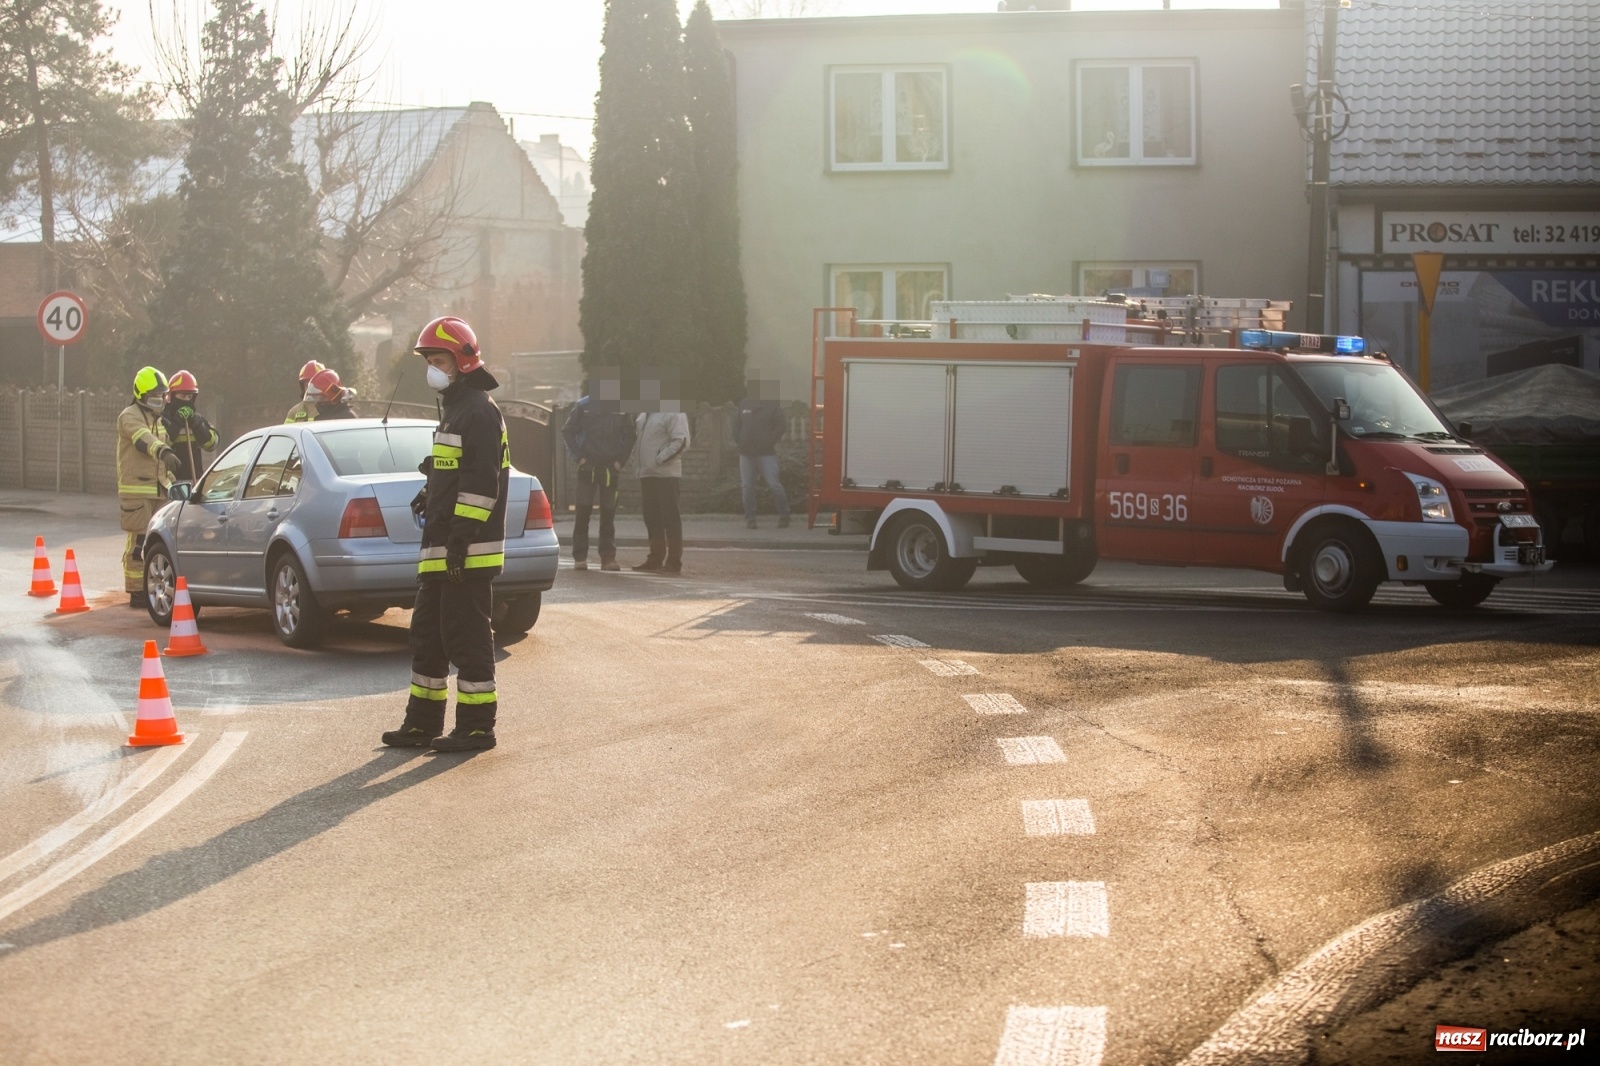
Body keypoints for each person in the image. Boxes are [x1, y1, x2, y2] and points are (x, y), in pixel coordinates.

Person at [382, 316, 508, 752]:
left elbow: (482, 483)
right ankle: (422, 724)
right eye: (429, 361)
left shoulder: (478, 411)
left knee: (467, 637)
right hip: (442, 548)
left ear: (462, 361)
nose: (432, 369)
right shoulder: (457, 410)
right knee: (427, 637)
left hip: (466, 551)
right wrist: (429, 489)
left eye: (438, 361)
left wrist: (460, 540)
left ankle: (476, 727)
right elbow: (454, 470)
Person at [117, 367, 183, 607]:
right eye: (153, 396)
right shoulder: (129, 416)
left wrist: (174, 482)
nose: (159, 400)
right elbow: (143, 439)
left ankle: (154, 586)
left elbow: (160, 462)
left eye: (161, 395)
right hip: (137, 491)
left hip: (160, 489)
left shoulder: (159, 420)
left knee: (160, 543)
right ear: (140, 395)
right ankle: (137, 592)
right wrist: (163, 451)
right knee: (138, 543)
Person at [560, 372, 635, 571]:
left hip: (611, 468)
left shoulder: (622, 408)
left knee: (608, 514)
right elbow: (567, 431)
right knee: (583, 512)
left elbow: (630, 436)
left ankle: (608, 558)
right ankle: (580, 558)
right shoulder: (583, 406)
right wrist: (579, 458)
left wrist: (620, 462)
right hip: (588, 466)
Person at [631, 399, 691, 574]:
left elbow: (681, 441)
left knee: (670, 518)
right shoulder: (644, 415)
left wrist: (659, 459)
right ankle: (655, 558)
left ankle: (674, 562)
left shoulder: (673, 412)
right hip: (647, 473)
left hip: (666, 474)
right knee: (651, 517)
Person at [733, 375, 791, 529]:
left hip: (766, 453)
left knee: (774, 484)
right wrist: (740, 440)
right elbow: (736, 425)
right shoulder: (744, 404)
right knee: (747, 487)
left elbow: (781, 425)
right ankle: (750, 518)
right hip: (746, 453)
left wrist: (769, 440)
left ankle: (784, 515)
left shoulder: (773, 405)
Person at [160, 369, 219, 483]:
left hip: (194, 481)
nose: (187, 400)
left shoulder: (197, 419)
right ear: (171, 396)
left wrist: (197, 425)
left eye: (189, 396)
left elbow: (212, 444)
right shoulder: (162, 419)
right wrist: (176, 424)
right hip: (170, 482)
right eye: (182, 396)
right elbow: (159, 445)